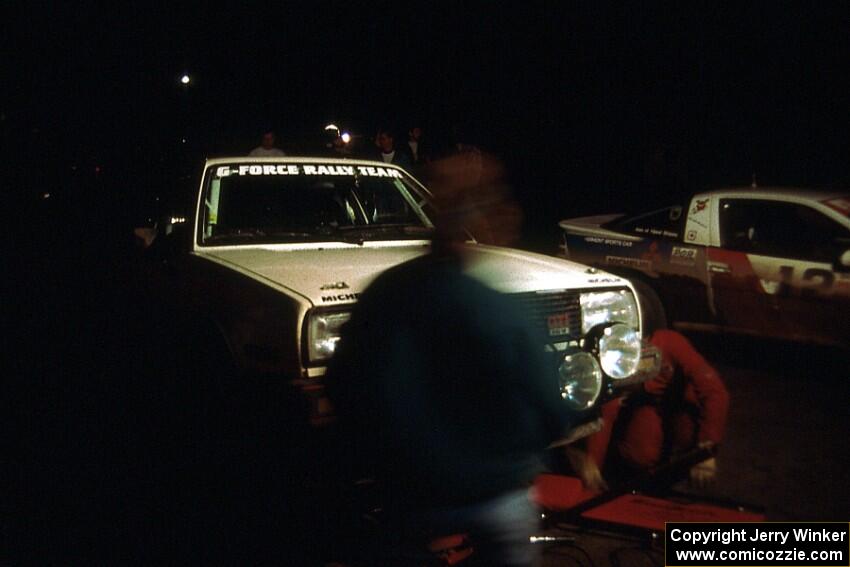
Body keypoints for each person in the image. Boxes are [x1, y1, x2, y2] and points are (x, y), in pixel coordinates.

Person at [325, 154, 571, 566]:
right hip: (496, 497)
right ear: (479, 226)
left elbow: (341, 386)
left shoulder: (383, 296)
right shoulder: (498, 310)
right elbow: (552, 409)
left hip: (409, 496)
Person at [576, 329, 730, 491]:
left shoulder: (670, 343)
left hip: (681, 415)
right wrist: (592, 465)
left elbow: (715, 392)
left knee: (680, 437)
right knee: (641, 455)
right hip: (646, 409)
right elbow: (608, 408)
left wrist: (705, 452)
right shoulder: (614, 354)